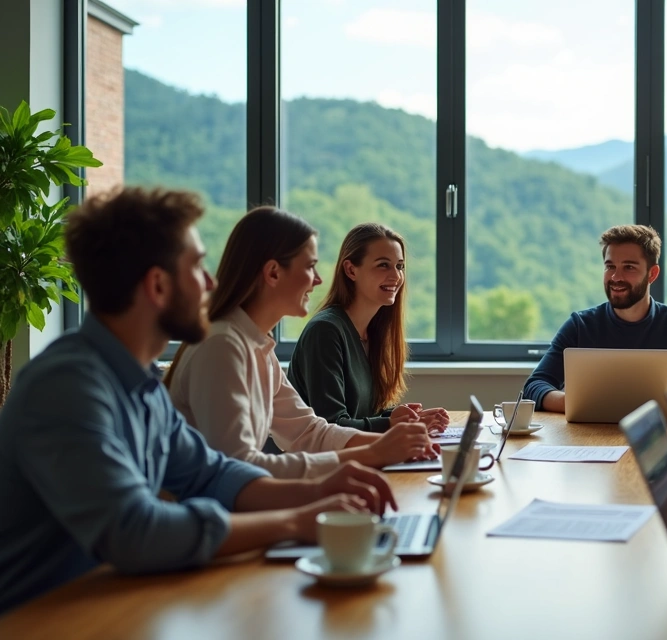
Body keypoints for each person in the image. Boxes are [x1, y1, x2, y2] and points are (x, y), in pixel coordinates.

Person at [0, 188, 395, 614]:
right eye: (197, 267)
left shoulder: (141, 385)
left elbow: (214, 473)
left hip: (112, 605)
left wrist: (318, 489)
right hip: (40, 619)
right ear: (157, 285)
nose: (210, 283)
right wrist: (297, 521)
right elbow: (134, 531)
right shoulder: (68, 386)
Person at [165, 207, 438, 479]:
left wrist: (391, 444)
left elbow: (308, 432)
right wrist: (374, 451)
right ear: (273, 273)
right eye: (309, 267)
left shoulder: (256, 345)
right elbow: (236, 471)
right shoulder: (223, 346)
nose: (318, 280)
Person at [523, 224, 667, 414]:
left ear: (652, 274)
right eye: (610, 266)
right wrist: (574, 402)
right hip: (588, 439)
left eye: (628, 267)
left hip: (660, 438)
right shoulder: (580, 325)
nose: (615, 277)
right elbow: (534, 386)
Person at [287, 223, 448, 433]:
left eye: (399, 266)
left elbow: (362, 415)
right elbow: (331, 427)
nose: (396, 276)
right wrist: (392, 424)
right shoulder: (325, 331)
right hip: (314, 462)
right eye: (383, 265)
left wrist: (404, 417)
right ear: (351, 270)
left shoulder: (372, 331)